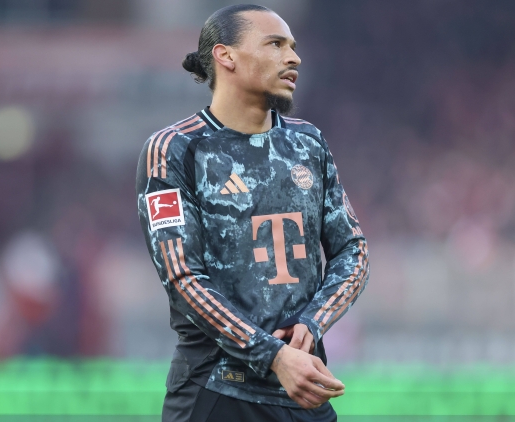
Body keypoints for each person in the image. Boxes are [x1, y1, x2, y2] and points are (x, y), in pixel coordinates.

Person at [135, 4, 369, 421]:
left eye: (293, 46)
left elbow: (353, 251)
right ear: (226, 56)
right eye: (275, 44)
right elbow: (183, 279)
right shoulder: (174, 149)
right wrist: (272, 355)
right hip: (216, 391)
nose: (293, 57)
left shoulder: (308, 143)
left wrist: (314, 321)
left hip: (302, 390)